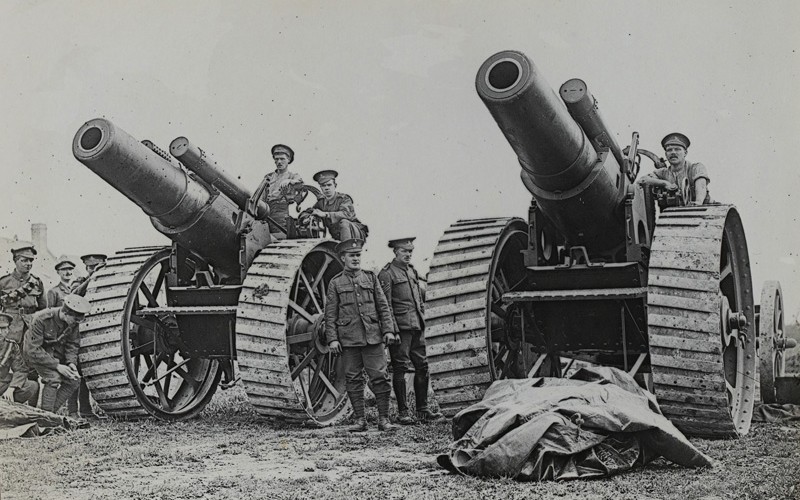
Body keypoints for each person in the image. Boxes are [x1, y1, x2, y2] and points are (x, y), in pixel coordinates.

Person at [324, 238, 398, 432]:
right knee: (353, 378)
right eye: (351, 256)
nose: (356, 259)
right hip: (349, 339)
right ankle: (360, 420)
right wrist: (332, 339)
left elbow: (383, 306)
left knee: (380, 377)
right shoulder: (336, 283)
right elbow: (330, 314)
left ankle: (384, 419)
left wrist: (388, 330)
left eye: (358, 255)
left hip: (373, 337)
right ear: (343, 258)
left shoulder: (370, 278)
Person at [378, 237, 444, 424]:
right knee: (400, 368)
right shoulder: (387, 274)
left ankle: (422, 410)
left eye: (410, 251)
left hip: (417, 326)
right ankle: (403, 412)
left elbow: (419, 301)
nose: (408, 254)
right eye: (404, 251)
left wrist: (423, 320)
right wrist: (392, 330)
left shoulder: (412, 270)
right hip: (401, 330)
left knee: (422, 366)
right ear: (395, 252)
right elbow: (386, 305)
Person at [23, 294, 91, 414]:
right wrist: (57, 366)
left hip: (55, 355)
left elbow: (72, 344)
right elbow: (33, 350)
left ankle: (48, 414)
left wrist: (71, 363)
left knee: (74, 380)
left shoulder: (72, 322)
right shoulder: (41, 319)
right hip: (36, 355)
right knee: (53, 378)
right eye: (75, 320)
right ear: (66, 313)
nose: (76, 323)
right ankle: (46, 416)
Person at [0, 244, 46, 405]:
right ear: (15, 261)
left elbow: (43, 309)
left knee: (33, 372)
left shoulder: (37, 283)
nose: (28, 263)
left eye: (31, 261)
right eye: (24, 260)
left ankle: (32, 409)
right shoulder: (4, 282)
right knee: (6, 369)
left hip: (31, 331)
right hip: (10, 331)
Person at [67, 253, 106, 418]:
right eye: (91, 267)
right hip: (79, 333)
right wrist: (92, 278)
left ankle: (86, 410)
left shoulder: (107, 282)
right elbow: (74, 295)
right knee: (76, 373)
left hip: (97, 333)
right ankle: (72, 411)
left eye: (97, 267)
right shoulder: (80, 281)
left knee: (89, 373)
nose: (93, 270)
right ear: (86, 268)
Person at [636, 132, 711, 206]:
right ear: (666, 154)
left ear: (685, 153)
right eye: (669, 150)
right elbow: (642, 180)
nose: (673, 152)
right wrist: (665, 183)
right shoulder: (662, 173)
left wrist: (698, 202)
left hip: (702, 211)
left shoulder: (696, 168)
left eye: (677, 149)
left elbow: (701, 184)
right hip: (673, 214)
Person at [299, 170, 368, 241]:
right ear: (321, 187)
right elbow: (308, 212)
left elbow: (347, 214)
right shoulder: (321, 203)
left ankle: (347, 249)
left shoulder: (344, 198)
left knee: (344, 222)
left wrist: (325, 214)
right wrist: (306, 218)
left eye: (329, 185)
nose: (326, 188)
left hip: (355, 233)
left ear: (335, 185)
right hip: (337, 236)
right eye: (323, 186)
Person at [256, 144, 306, 236]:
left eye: (282, 159)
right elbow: (260, 196)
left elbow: (300, 183)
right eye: (276, 159)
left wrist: (290, 181)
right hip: (264, 213)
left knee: (278, 237)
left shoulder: (293, 176)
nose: (279, 162)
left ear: (288, 160)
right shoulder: (269, 177)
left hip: (281, 215)